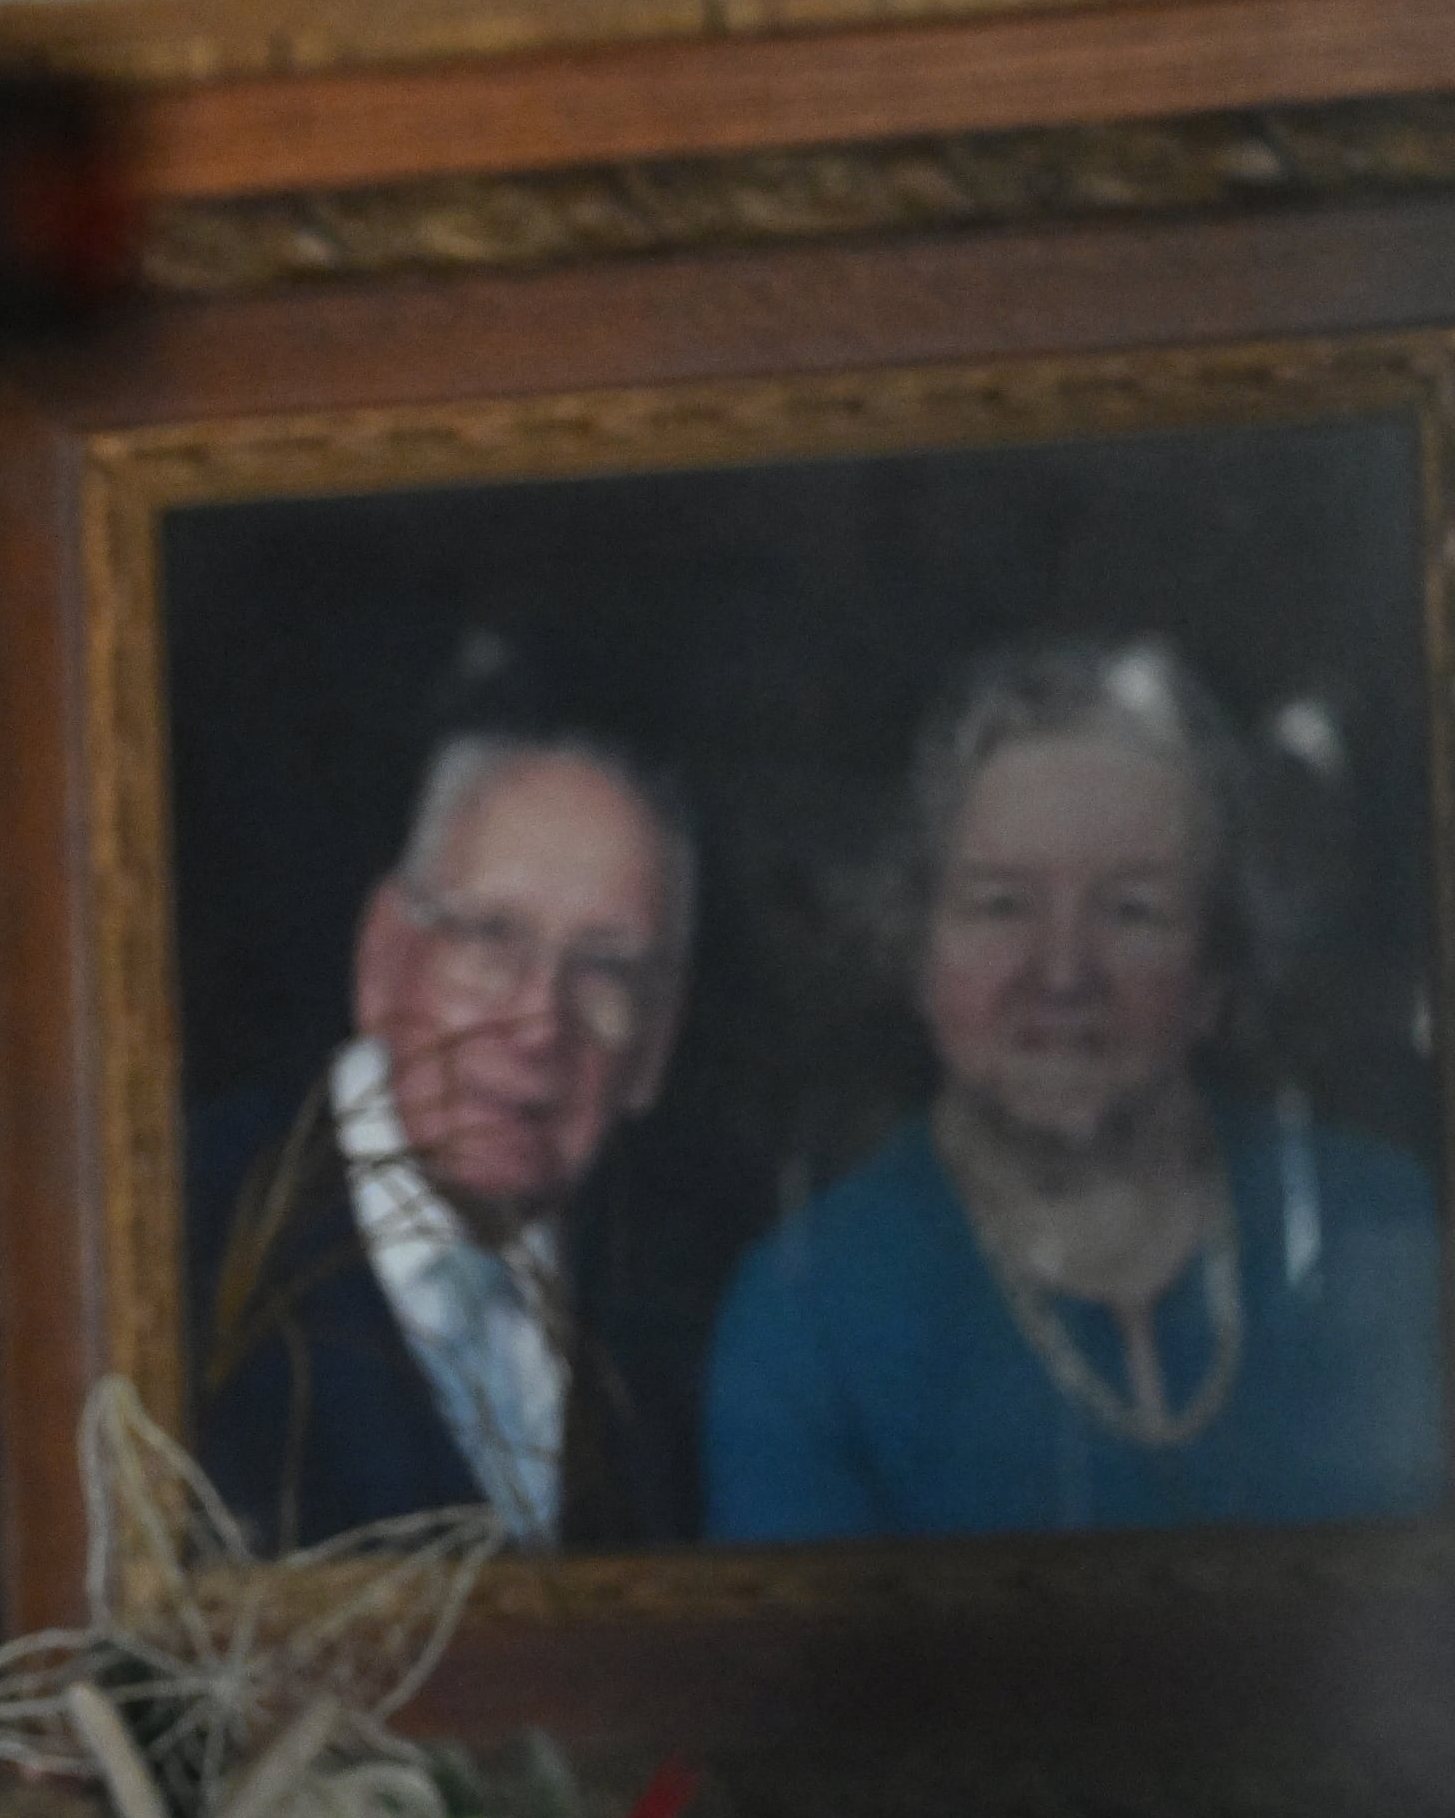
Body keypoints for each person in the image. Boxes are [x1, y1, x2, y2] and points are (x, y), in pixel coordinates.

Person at [705, 640, 1443, 1539]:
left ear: (1216, 966)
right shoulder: (806, 1314)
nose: (1062, 972)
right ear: (919, 950)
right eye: (1001, 904)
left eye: (1132, 908)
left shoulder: (1379, 1232)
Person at [189, 731, 695, 1551]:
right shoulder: (186, 1235)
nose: (539, 1022)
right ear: (384, 958)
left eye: (605, 970)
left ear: (658, 1040)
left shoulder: (686, 1318)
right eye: (491, 940)